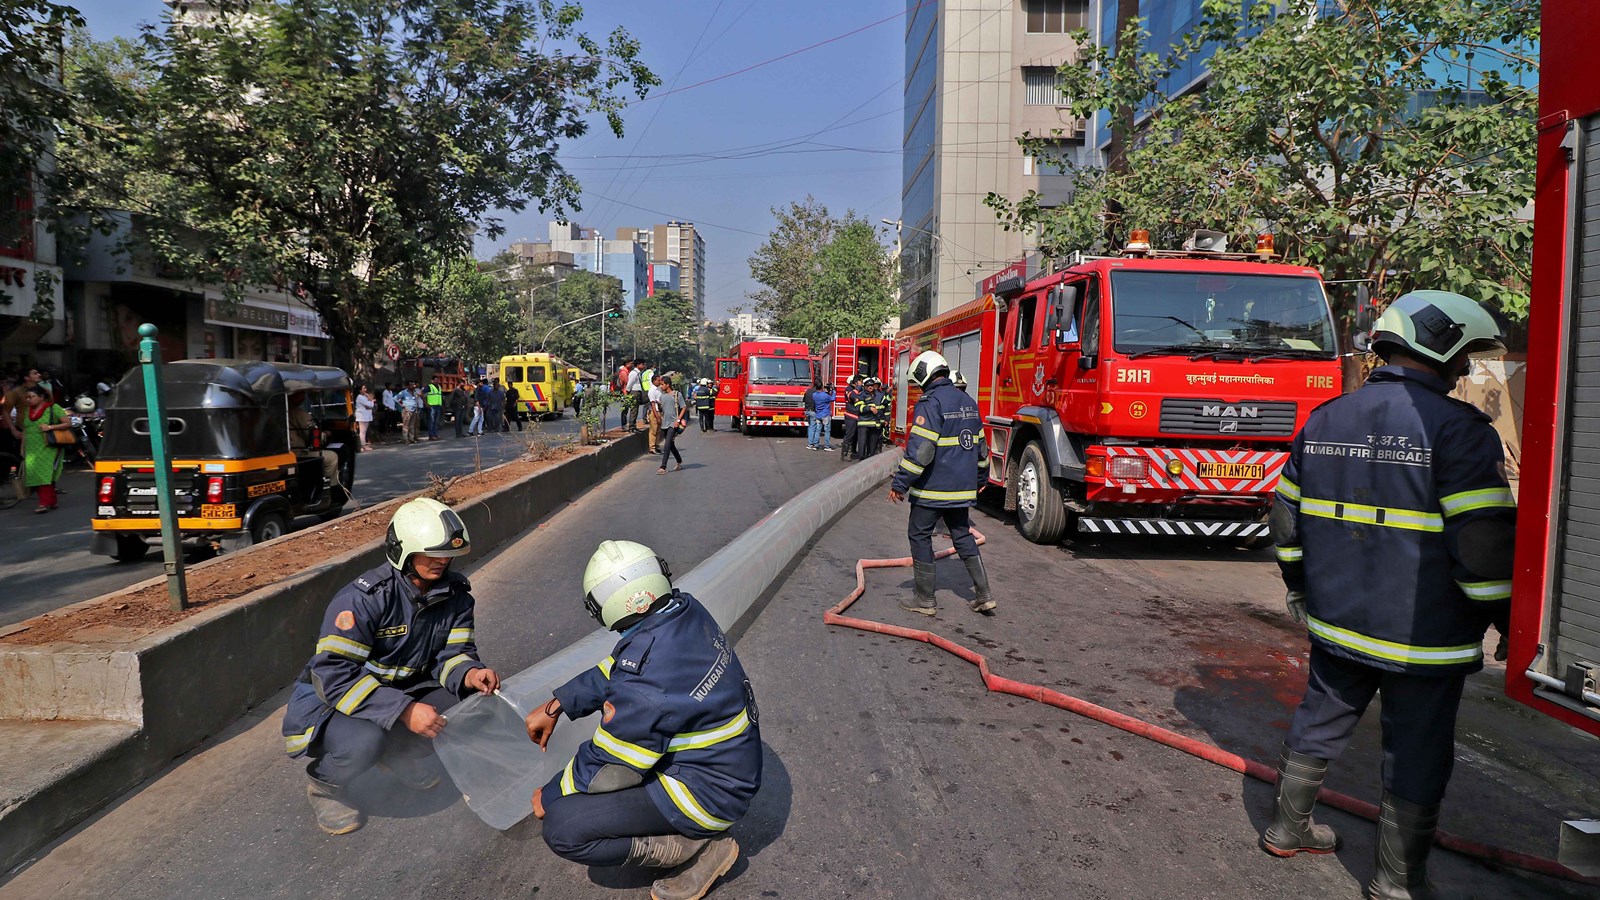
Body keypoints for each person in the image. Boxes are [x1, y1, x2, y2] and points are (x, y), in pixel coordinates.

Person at [1264, 291, 1516, 900]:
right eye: (1465, 359)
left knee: (1320, 719)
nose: (1465, 372)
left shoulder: (1327, 417)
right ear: (1443, 345)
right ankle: (1396, 882)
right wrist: (1505, 616)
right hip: (1423, 639)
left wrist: (1299, 585)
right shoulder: (1461, 432)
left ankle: (1286, 826)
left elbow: (1285, 518)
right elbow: (1482, 550)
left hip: (1336, 620)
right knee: (1417, 751)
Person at [525, 541, 760, 900]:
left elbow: (611, 767)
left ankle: (693, 846)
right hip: (729, 768)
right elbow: (619, 669)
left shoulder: (645, 683)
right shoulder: (681, 612)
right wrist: (558, 704)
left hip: (707, 795)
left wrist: (555, 792)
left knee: (563, 827)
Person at [282, 498, 499, 834]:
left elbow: (452, 654)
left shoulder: (456, 597)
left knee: (470, 708)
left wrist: (469, 674)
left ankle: (397, 755)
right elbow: (333, 675)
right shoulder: (363, 600)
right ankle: (326, 785)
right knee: (365, 740)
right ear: (403, 551)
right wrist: (404, 710)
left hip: (398, 693)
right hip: (334, 705)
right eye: (431, 552)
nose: (442, 561)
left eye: (447, 554)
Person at [888, 351, 995, 616]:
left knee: (919, 535)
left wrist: (900, 483)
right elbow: (981, 449)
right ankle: (984, 594)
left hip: (933, 489)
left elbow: (921, 452)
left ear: (925, 375)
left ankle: (924, 600)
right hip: (962, 489)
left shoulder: (930, 402)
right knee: (961, 534)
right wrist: (981, 479)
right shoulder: (968, 401)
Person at [20, 384, 70, 513]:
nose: (29, 399)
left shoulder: (53, 408)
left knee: (44, 474)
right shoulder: (28, 410)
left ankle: (43, 503)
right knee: (36, 474)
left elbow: (67, 423)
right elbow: (26, 429)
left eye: (32, 396)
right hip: (31, 448)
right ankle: (52, 501)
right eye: (27, 397)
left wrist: (50, 427)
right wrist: (22, 447)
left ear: (41, 397)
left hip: (49, 446)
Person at [289, 390, 340, 495]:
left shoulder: (274, 412)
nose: (303, 396)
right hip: (295, 453)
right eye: (301, 393)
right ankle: (331, 491)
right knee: (332, 457)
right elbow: (312, 436)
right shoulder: (297, 413)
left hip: (282, 452)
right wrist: (325, 434)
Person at [656, 376, 686, 473]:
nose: (661, 386)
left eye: (662, 384)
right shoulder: (662, 396)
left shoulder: (677, 395)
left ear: (667, 385)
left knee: (667, 444)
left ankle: (663, 467)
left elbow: (684, 407)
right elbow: (662, 409)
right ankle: (679, 461)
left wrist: (678, 420)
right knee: (671, 445)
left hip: (673, 424)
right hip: (665, 423)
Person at [852, 377, 886, 459]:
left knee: (873, 448)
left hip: (875, 425)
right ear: (865, 387)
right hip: (864, 424)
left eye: (872, 385)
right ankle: (861, 462)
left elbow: (884, 407)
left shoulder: (879, 395)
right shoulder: (861, 395)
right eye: (868, 386)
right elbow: (858, 407)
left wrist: (885, 419)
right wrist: (869, 408)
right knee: (862, 445)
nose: (870, 387)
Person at [839, 375, 862, 461]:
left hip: (857, 416)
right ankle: (844, 454)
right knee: (849, 435)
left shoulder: (858, 390)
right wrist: (858, 388)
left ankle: (853, 451)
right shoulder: (849, 389)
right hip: (850, 416)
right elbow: (852, 397)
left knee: (855, 435)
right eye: (860, 382)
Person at [808, 381, 834, 451]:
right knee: (827, 431)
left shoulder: (814, 395)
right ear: (822, 387)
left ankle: (816, 445)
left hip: (818, 415)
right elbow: (832, 399)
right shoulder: (825, 395)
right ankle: (827, 446)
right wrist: (833, 391)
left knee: (817, 430)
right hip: (825, 414)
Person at [626, 360, 647, 432]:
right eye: (642, 364)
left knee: (636, 410)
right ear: (638, 365)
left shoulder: (638, 373)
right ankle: (631, 427)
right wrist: (628, 392)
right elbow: (629, 384)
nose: (644, 366)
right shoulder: (634, 373)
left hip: (637, 392)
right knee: (634, 410)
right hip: (634, 392)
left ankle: (633, 425)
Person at [646, 372, 664, 455]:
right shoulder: (652, 391)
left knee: (658, 430)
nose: (659, 382)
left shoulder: (658, 389)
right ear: (653, 381)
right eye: (658, 380)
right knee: (653, 430)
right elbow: (652, 404)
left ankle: (656, 445)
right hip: (654, 412)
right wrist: (657, 416)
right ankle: (652, 447)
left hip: (659, 411)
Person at [354, 385, 376, 451]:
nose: (365, 389)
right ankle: (363, 446)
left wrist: (370, 400)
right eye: (364, 388)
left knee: (364, 431)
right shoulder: (360, 397)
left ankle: (363, 445)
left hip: (366, 416)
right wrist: (371, 401)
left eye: (365, 388)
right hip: (362, 416)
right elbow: (370, 405)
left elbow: (370, 405)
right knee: (362, 432)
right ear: (360, 390)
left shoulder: (364, 396)